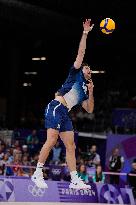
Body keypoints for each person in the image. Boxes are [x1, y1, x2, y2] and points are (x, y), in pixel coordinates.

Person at [32, 19, 94, 189]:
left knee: (71, 145)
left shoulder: (84, 89)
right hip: (56, 106)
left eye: (90, 70)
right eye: (87, 68)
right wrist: (85, 33)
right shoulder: (75, 74)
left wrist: (91, 91)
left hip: (65, 113)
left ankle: (75, 179)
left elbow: (89, 109)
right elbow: (81, 53)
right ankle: (37, 173)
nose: (89, 70)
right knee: (51, 140)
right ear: (81, 69)